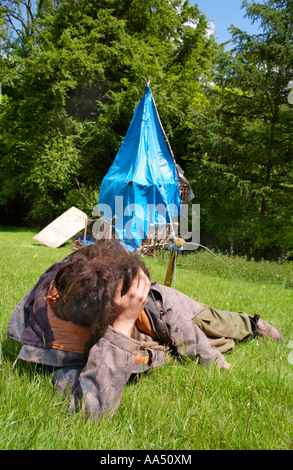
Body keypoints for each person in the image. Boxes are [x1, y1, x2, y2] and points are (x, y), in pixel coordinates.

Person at [7, 240, 282, 421]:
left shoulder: (140, 294)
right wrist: (124, 324)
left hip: (172, 311)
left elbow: (179, 325)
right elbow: (90, 413)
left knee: (218, 326)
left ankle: (254, 324)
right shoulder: (55, 337)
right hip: (149, 335)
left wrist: (214, 361)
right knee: (201, 345)